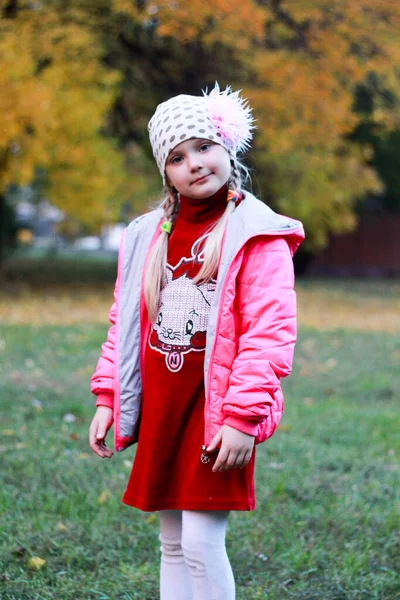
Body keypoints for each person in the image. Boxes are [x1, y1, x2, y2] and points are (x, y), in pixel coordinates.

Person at [89, 82, 305, 600]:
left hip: (216, 415)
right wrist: (109, 396)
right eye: (177, 156)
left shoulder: (257, 233)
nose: (194, 163)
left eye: (204, 147)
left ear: (228, 145)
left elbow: (269, 333)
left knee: (202, 542)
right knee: (171, 542)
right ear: (165, 171)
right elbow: (125, 323)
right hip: (165, 410)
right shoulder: (148, 234)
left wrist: (243, 418)